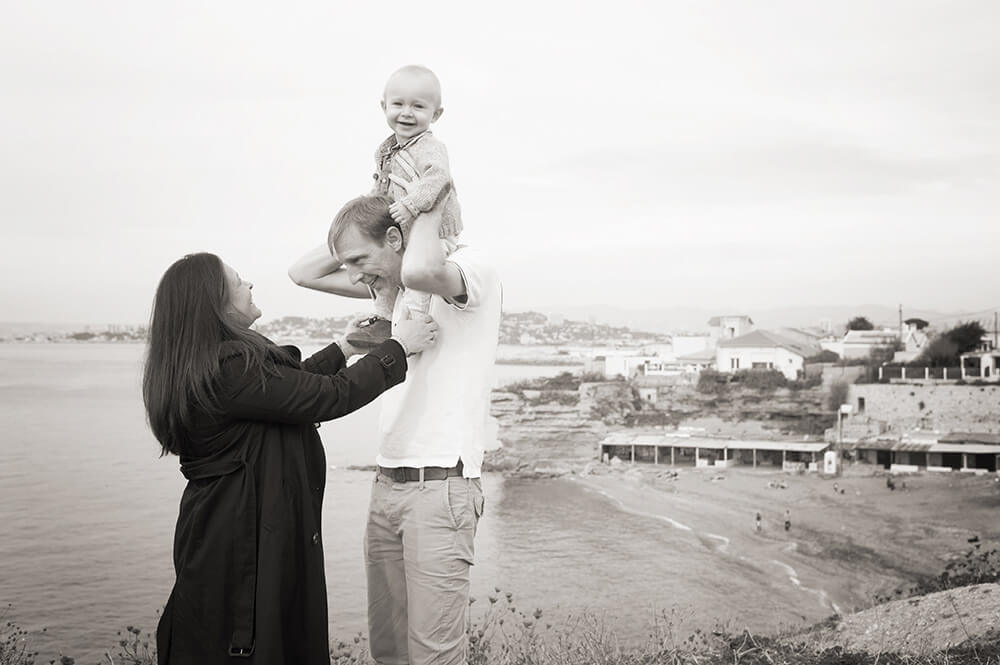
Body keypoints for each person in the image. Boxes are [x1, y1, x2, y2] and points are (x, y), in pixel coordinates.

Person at [143, 252, 437, 664]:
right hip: (242, 536)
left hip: (228, 526)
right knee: (250, 641)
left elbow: (285, 389)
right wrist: (399, 348)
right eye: (239, 281)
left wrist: (343, 347)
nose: (249, 285)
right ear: (216, 303)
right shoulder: (228, 368)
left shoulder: (215, 364)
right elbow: (325, 397)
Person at [291, 161, 501, 664]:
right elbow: (302, 273)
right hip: (387, 485)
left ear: (394, 237)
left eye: (361, 259)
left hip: (441, 487)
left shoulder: (468, 267)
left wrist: (420, 205)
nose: (354, 275)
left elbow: (422, 268)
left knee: (433, 655)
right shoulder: (394, 287)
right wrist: (381, 198)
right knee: (388, 648)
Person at [293, 64, 464, 350]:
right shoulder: (386, 150)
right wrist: (366, 213)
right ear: (384, 106)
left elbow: (439, 178)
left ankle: (413, 323)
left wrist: (410, 204)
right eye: (398, 104)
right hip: (402, 227)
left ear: (436, 114)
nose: (407, 112)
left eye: (418, 106)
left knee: (413, 276)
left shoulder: (429, 147)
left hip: (433, 234)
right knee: (382, 278)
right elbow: (382, 188)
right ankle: (385, 319)